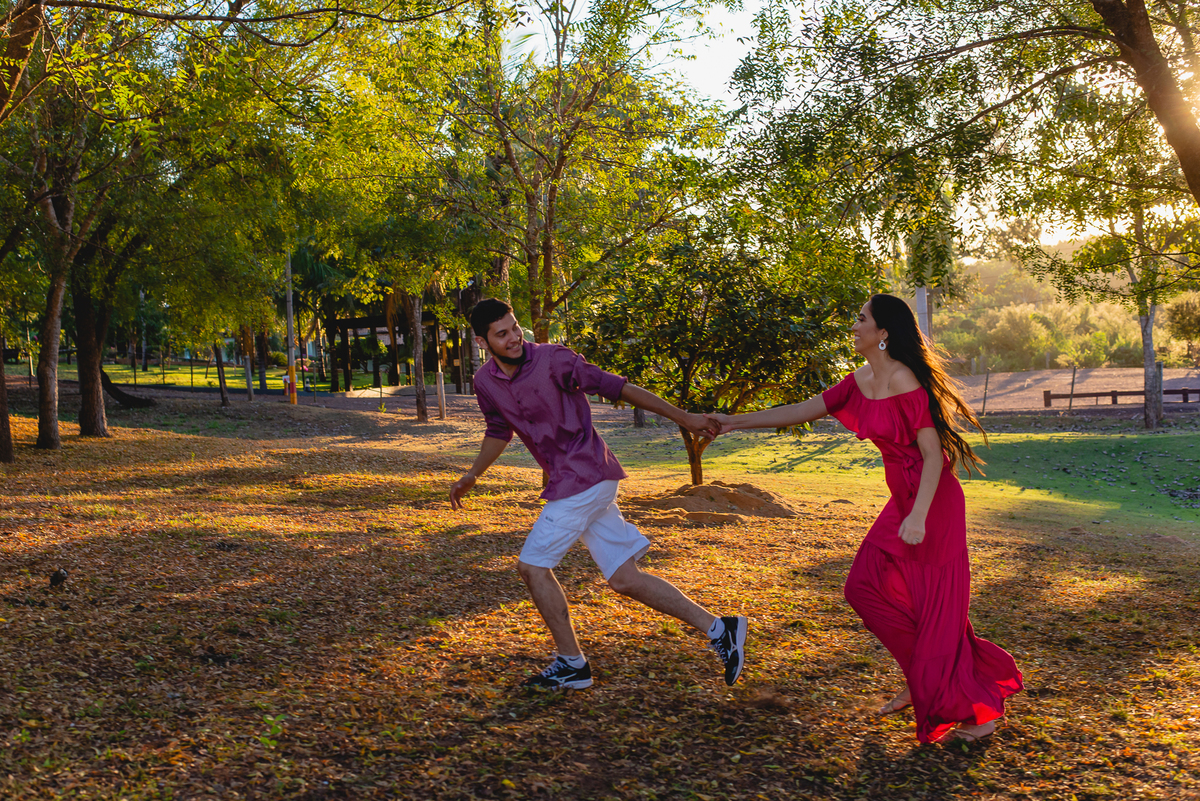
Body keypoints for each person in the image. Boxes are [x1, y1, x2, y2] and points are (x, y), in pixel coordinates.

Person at [708, 293, 1022, 743]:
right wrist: (733, 421)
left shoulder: (904, 379)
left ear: (884, 332)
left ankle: (977, 712)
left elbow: (934, 456)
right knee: (862, 587)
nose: (854, 327)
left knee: (937, 611)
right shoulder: (859, 380)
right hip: (905, 501)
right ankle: (925, 680)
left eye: (861, 320)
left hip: (933, 504)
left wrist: (917, 517)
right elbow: (800, 410)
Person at [450, 298, 748, 690]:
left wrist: (685, 417)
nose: (513, 338)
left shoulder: (554, 359)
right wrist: (473, 474)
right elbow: (497, 431)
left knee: (532, 567)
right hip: (572, 481)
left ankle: (572, 664)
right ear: (481, 341)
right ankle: (720, 629)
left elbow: (619, 388)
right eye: (501, 333)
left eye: (514, 327)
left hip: (586, 474)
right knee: (624, 578)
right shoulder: (485, 382)